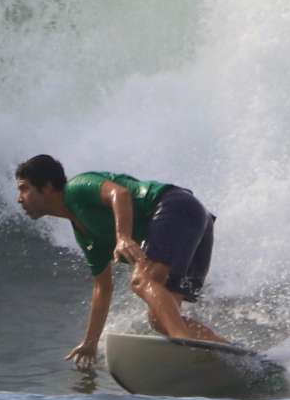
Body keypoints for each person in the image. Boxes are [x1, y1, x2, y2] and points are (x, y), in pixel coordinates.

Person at [13, 154, 226, 368]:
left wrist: (122, 236)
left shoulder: (76, 189)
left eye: (24, 188)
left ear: (47, 186)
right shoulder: (86, 234)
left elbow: (119, 193)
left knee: (140, 281)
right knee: (159, 320)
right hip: (194, 221)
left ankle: (185, 345)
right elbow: (102, 288)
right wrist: (90, 342)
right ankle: (230, 356)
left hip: (175, 206)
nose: (19, 198)